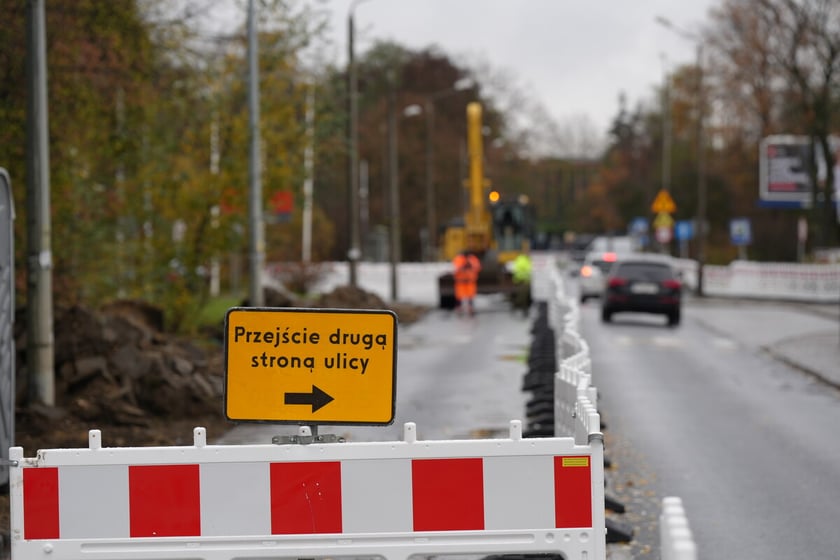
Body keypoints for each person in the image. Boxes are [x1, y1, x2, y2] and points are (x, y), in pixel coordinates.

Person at [452, 250, 481, 315]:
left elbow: (478, 267)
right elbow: (455, 268)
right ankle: (459, 308)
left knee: (470, 295)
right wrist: (462, 266)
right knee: (459, 295)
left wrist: (470, 266)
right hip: (460, 282)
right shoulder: (458, 259)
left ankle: (470, 308)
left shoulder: (473, 259)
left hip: (470, 281)